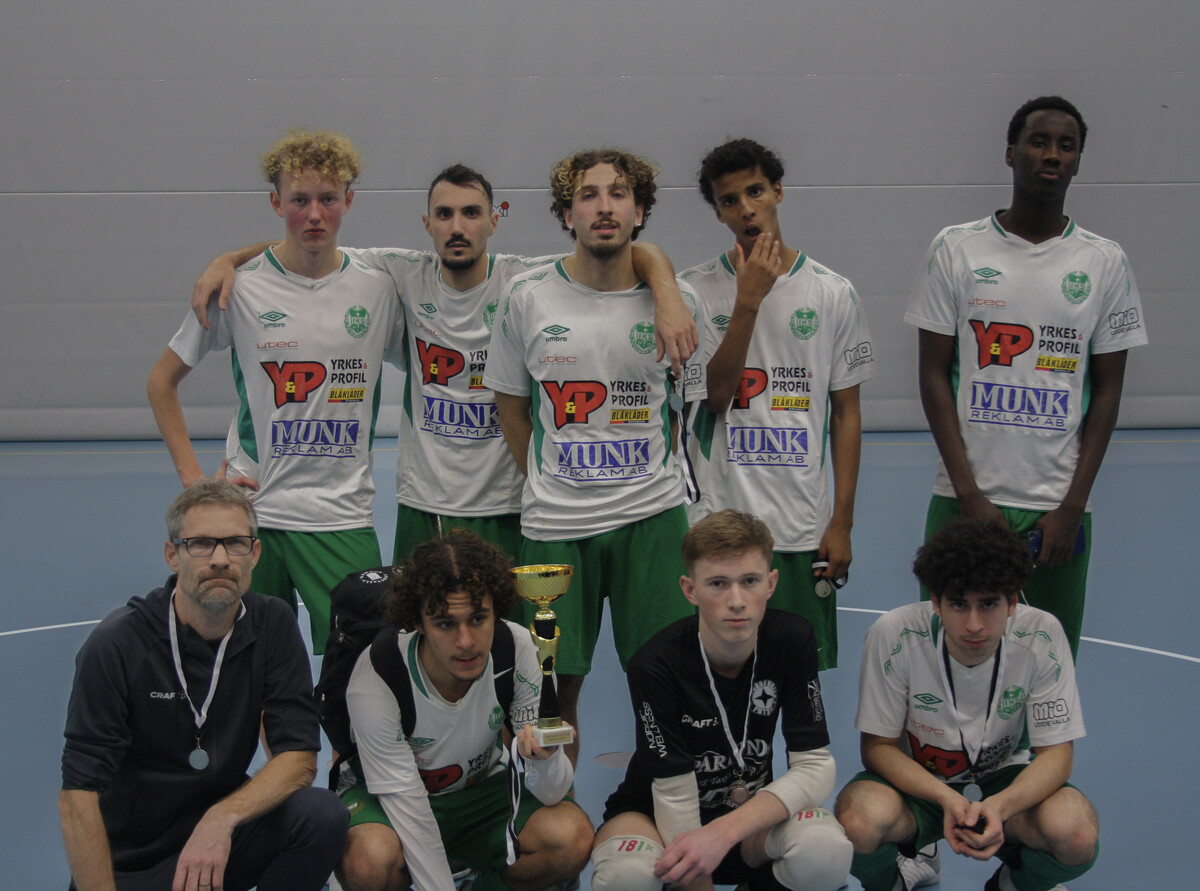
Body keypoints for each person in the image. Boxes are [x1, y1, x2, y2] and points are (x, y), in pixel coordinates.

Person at [187, 164, 698, 566]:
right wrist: (228, 259)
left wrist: (665, 288)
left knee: (510, 642)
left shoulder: (527, 283)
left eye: (472, 213)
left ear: (494, 220)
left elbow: (624, 252)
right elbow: (308, 244)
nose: (458, 227)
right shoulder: (399, 273)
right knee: (419, 636)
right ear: (426, 223)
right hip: (425, 502)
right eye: (445, 214)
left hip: (509, 503)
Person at [484, 148, 707, 763]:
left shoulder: (681, 302)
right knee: (551, 695)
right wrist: (551, 479)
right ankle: (560, 814)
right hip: (556, 527)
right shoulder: (527, 296)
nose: (604, 206)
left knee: (667, 681)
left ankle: (669, 808)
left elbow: (688, 410)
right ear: (566, 214)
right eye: (588, 195)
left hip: (652, 519)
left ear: (640, 211)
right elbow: (511, 407)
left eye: (618, 193)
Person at [905, 96, 1148, 657]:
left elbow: (1108, 392)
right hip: (964, 499)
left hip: (1056, 510)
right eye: (1039, 142)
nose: (1052, 154)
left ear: (1079, 161)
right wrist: (969, 495)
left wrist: (1072, 507)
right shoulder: (956, 248)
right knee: (947, 660)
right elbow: (933, 375)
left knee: (1047, 665)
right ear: (1011, 153)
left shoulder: (1104, 261)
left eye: (1067, 146)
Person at [147, 129, 406, 653]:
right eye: (299, 200)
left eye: (328, 199)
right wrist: (194, 482)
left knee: (364, 663)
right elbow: (161, 383)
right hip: (253, 516)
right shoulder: (238, 288)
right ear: (275, 202)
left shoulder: (380, 284)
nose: (314, 215)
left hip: (342, 516)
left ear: (349, 201)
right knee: (250, 665)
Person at [59, 480, 347, 891]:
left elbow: (298, 756)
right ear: (172, 555)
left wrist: (221, 818)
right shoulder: (117, 644)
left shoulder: (272, 623)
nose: (220, 559)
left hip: (221, 844)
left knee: (321, 815)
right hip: (134, 865)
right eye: (200, 544)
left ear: (255, 554)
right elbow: (78, 796)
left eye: (235, 543)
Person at [681, 138, 875, 671]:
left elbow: (847, 414)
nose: (746, 209)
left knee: (796, 678)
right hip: (719, 523)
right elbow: (714, 397)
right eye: (729, 200)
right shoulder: (694, 292)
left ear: (778, 192)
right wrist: (748, 301)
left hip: (800, 526)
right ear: (718, 213)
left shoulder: (833, 293)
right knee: (720, 673)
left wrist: (842, 522)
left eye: (756, 192)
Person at [591, 510, 852, 891]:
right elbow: (673, 795)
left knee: (825, 851)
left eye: (750, 581)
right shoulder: (655, 665)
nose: (737, 601)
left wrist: (722, 833)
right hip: (656, 817)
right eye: (717, 584)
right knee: (626, 877)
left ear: (771, 583)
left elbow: (815, 767)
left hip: (745, 821)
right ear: (689, 590)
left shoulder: (792, 640)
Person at [834, 519, 1098, 891]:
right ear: (936, 602)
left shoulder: (1042, 635)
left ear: (1012, 601)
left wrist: (1001, 805)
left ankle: (1015, 884)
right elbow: (877, 748)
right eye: (959, 604)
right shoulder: (893, 635)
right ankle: (895, 879)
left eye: (988, 604)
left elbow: (1056, 753)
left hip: (1005, 780)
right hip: (918, 786)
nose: (974, 625)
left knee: (1076, 834)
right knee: (857, 824)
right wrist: (944, 798)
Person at [339, 529, 592, 891]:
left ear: (495, 611)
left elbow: (551, 793)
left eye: (478, 619)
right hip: (390, 801)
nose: (466, 642)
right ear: (417, 622)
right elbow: (409, 811)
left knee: (570, 838)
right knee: (368, 862)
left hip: (480, 793)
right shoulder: (377, 676)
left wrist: (546, 759)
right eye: (445, 624)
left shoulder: (521, 649)